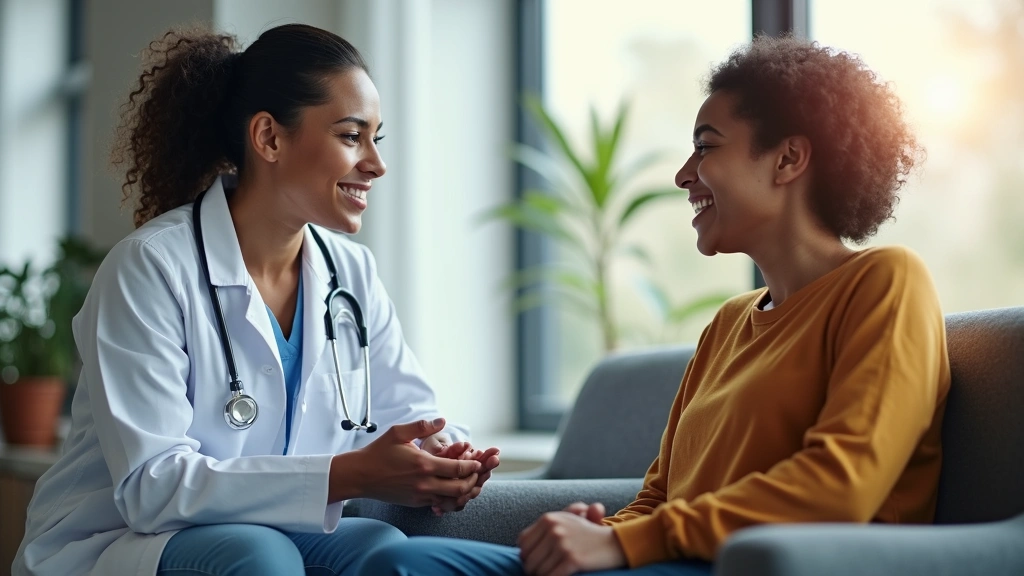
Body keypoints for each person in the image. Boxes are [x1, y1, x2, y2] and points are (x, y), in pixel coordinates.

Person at [359, 34, 950, 576]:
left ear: (788, 159)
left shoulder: (885, 281)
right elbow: (660, 498)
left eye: (705, 148)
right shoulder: (729, 324)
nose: (682, 175)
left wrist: (623, 545)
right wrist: (595, 535)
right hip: (675, 562)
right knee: (397, 564)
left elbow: (841, 487)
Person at [13, 23, 500, 576]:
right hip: (121, 542)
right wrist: (352, 474)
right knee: (258, 557)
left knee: (380, 551)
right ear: (268, 137)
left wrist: (447, 458)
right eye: (350, 136)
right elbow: (151, 487)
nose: (375, 163)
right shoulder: (150, 266)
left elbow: (415, 416)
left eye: (376, 139)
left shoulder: (351, 272)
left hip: (277, 532)